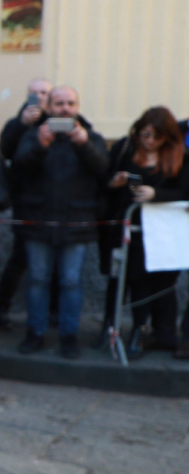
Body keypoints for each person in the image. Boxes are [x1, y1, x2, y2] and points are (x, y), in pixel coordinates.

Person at [13, 86, 107, 359]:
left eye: (70, 103)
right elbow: (19, 168)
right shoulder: (34, 135)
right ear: (49, 107)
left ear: (77, 106)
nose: (65, 109)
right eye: (59, 104)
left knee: (71, 281)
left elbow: (103, 169)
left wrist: (85, 145)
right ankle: (35, 333)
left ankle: (69, 336)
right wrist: (40, 146)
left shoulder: (92, 137)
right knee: (38, 280)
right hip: (38, 220)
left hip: (76, 222)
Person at [103, 107, 189, 359]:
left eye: (156, 137)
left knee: (165, 283)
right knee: (137, 280)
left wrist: (156, 195)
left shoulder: (180, 157)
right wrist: (115, 183)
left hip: (165, 230)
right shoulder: (126, 150)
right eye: (145, 135)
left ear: (167, 138)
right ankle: (140, 330)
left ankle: (165, 333)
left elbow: (185, 193)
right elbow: (105, 185)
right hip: (133, 228)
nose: (149, 141)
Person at [0, 78, 54, 330]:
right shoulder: (16, 124)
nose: (38, 97)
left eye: (44, 93)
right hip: (26, 201)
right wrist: (22, 124)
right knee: (20, 259)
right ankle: (0, 308)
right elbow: (6, 151)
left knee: (59, 264)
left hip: (57, 201)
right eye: (33, 92)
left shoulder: (62, 121)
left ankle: (54, 313)